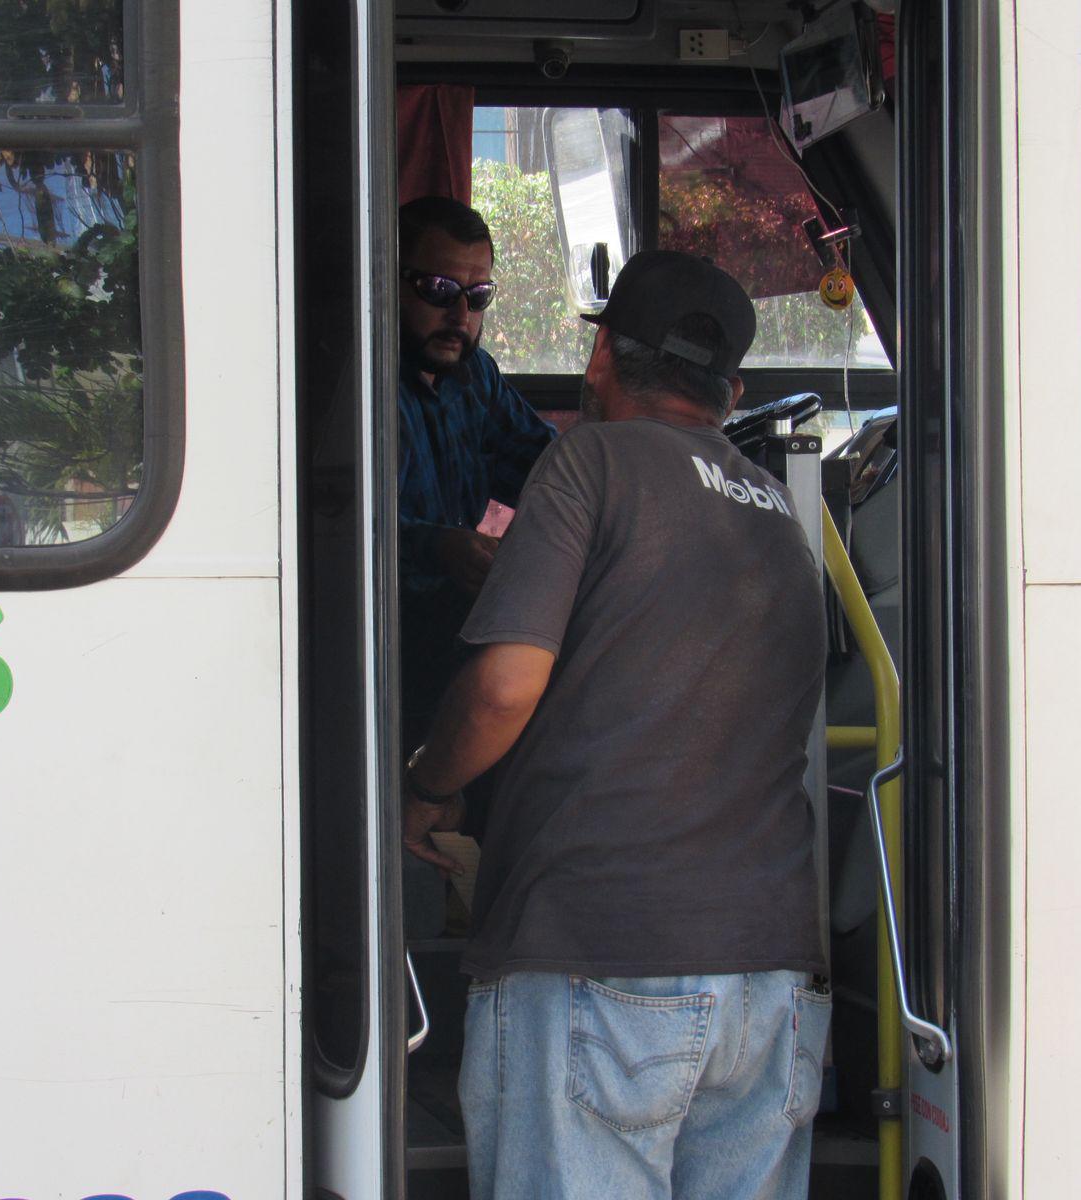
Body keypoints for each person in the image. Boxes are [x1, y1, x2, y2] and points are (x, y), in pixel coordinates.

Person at [401, 250, 831, 1199]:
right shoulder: (782, 519)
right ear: (733, 390)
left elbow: (506, 685)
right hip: (771, 987)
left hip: (602, 956)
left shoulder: (590, 461)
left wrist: (426, 790)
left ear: (600, 357)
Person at [396, 195, 555, 934]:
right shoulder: (354, 386)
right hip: (378, 632)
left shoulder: (475, 377)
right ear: (386, 281)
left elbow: (549, 472)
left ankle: (506, 922)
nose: (459, 316)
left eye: (478, 296)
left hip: (454, 622)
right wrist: (441, 545)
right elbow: (330, 533)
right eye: (436, 292)